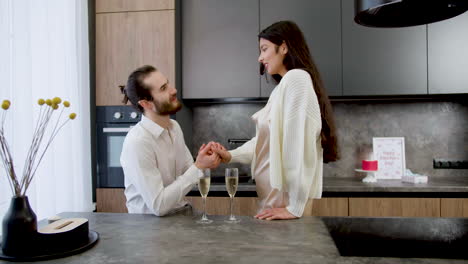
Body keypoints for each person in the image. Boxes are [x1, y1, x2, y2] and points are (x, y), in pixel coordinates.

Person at [212, 21, 339, 220]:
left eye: (264, 49)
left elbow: (296, 144)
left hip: (285, 202)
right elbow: (265, 144)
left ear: (284, 47)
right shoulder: (281, 89)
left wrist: (295, 207)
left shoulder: (296, 79)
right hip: (274, 200)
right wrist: (229, 155)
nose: (260, 57)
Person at [120, 65, 221, 216]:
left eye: (168, 84)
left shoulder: (174, 127)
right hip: (149, 229)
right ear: (146, 104)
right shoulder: (138, 142)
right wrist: (198, 167)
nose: (173, 90)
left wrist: (203, 160)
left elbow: (189, 171)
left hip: (180, 215)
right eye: (163, 88)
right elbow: (158, 206)